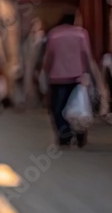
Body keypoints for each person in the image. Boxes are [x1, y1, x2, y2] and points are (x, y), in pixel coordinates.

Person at [42, 13, 106, 147]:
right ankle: (80, 133)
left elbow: (48, 58)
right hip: (77, 78)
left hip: (57, 78)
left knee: (58, 109)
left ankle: (64, 134)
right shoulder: (81, 34)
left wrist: (46, 73)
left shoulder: (53, 34)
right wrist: (96, 80)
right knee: (79, 107)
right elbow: (87, 57)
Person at [21, 18, 45, 107]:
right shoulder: (30, 37)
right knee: (29, 81)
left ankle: (34, 99)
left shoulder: (40, 36)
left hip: (36, 63)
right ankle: (29, 99)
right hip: (29, 63)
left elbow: (39, 50)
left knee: (34, 81)